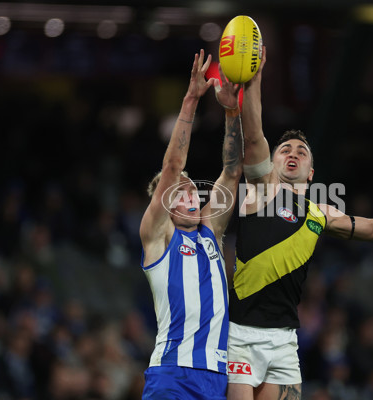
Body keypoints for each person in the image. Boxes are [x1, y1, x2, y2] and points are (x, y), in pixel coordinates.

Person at [226, 47, 373, 400]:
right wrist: (256, 79)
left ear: (310, 175)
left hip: (284, 343)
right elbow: (255, 134)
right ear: (271, 163)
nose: (293, 153)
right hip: (241, 336)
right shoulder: (259, 191)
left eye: (301, 152)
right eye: (285, 150)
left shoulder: (320, 214)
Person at [139, 49, 242, 400]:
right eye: (180, 194)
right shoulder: (159, 235)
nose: (191, 198)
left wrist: (231, 109)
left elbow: (231, 171)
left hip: (215, 376)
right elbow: (172, 168)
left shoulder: (210, 232)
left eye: (192, 192)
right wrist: (191, 100)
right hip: (172, 372)